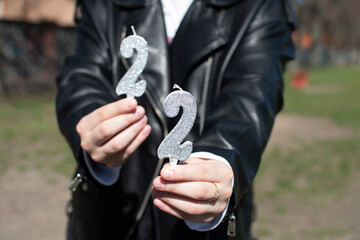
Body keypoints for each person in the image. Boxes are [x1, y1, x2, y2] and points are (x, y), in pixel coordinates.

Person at [56, 0, 296, 239]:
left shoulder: (260, 5)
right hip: (111, 216)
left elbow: (255, 90)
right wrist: (92, 123)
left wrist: (220, 157)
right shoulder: (105, 4)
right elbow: (81, 76)